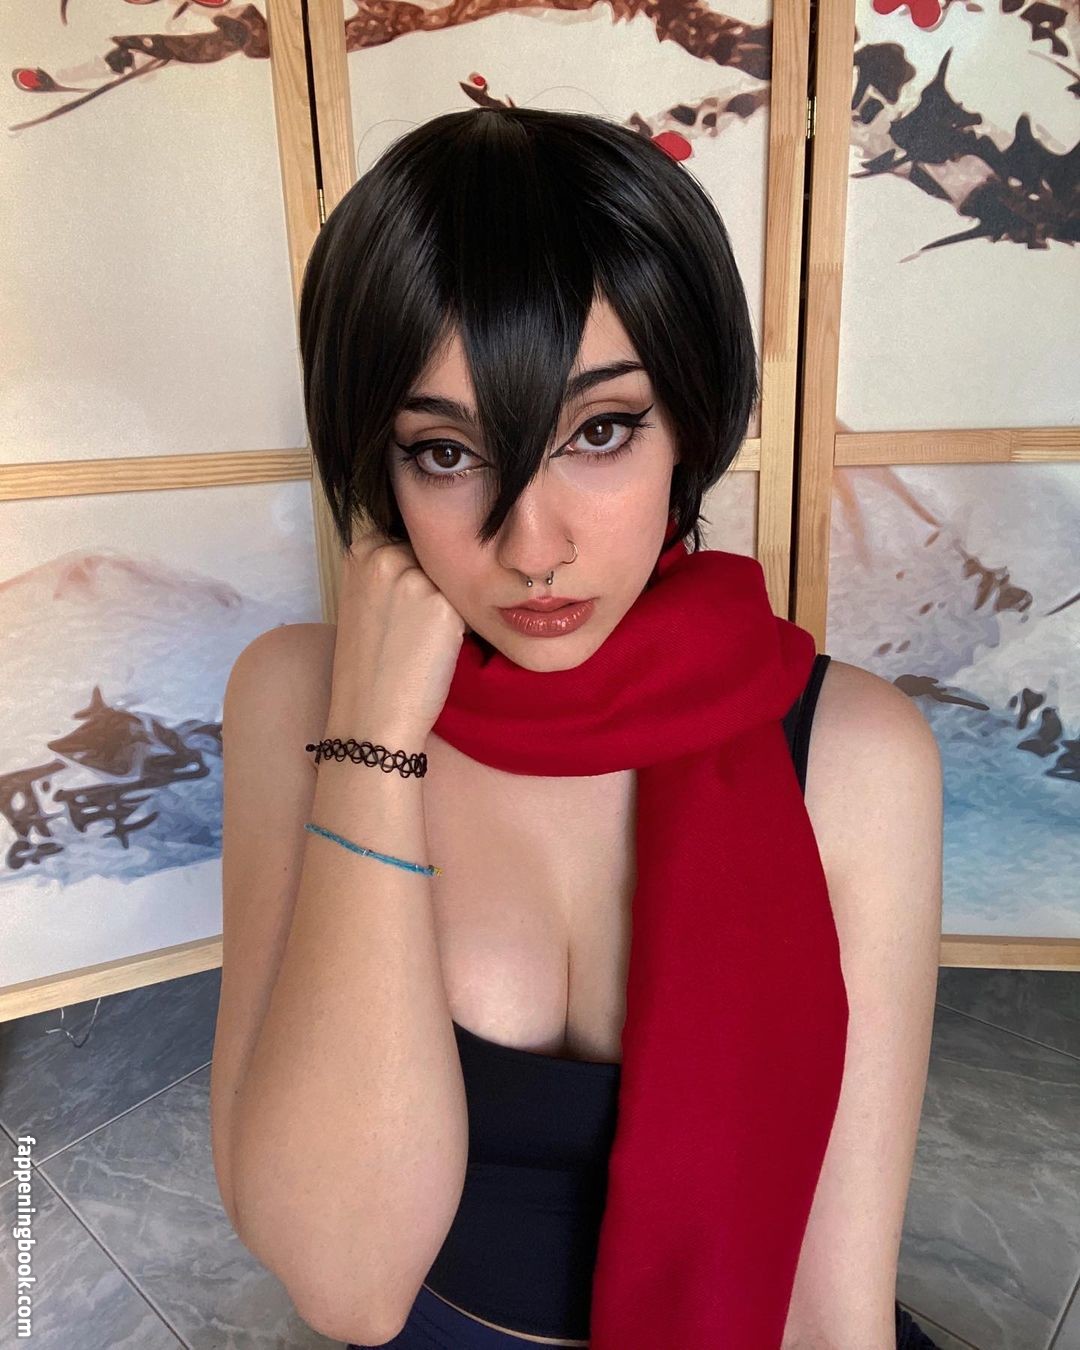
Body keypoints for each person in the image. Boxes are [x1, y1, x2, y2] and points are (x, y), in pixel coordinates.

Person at [211, 107, 945, 1348]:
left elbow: (834, 1309)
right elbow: (344, 1286)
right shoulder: (299, 698)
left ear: (690, 421)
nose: (531, 545)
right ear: (377, 462)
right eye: (446, 452)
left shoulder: (857, 754)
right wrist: (376, 740)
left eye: (599, 432)